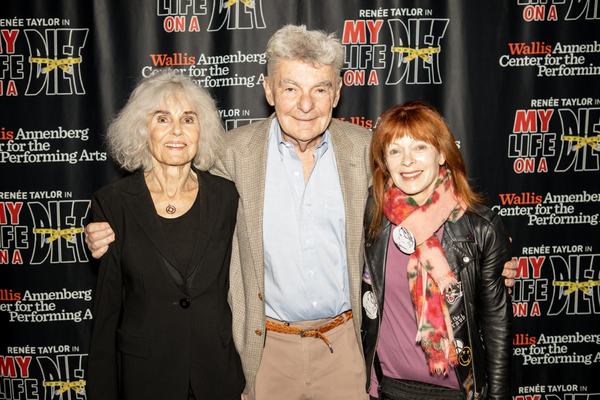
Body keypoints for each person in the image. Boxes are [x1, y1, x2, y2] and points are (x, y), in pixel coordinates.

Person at [85, 26, 517, 400]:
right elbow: (166, 170)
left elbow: (428, 190)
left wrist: (487, 260)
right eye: (290, 88)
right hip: (267, 352)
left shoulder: (364, 151)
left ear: (337, 93)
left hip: (347, 350)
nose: (305, 104)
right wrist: (107, 227)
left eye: (319, 89)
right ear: (269, 90)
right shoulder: (232, 153)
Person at [86, 72, 244, 400]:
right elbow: (107, 311)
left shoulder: (227, 197)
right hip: (145, 376)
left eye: (188, 119)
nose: (176, 131)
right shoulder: (113, 203)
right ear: (143, 131)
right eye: (162, 119)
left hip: (216, 373)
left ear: (202, 131)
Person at [362, 102, 512, 400]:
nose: (407, 161)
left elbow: (497, 328)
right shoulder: (373, 217)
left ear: (442, 153)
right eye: (395, 151)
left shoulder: (480, 227)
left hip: (457, 391)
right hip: (389, 388)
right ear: (384, 162)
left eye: (419, 147)